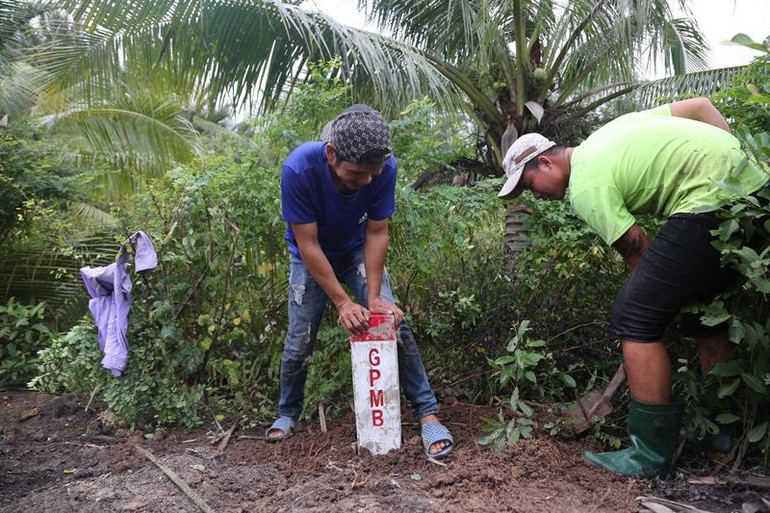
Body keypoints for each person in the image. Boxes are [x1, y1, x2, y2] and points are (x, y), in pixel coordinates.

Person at [497, 97, 769, 478]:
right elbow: (701, 106)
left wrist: (646, 310)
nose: (535, 195)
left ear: (546, 162)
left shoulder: (585, 185)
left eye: (530, 184)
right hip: (754, 193)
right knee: (707, 314)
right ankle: (717, 432)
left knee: (634, 315)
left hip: (709, 202)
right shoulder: (611, 133)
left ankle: (649, 455)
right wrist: (734, 160)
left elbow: (637, 247)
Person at [266, 104, 453, 460]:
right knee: (298, 341)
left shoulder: (385, 169)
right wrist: (343, 302)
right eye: (356, 173)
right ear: (331, 153)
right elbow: (307, 244)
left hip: (356, 251)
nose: (366, 181)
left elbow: (378, 231)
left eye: (373, 174)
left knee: (394, 325)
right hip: (311, 255)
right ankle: (288, 412)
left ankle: (428, 414)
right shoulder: (299, 168)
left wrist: (373, 297)